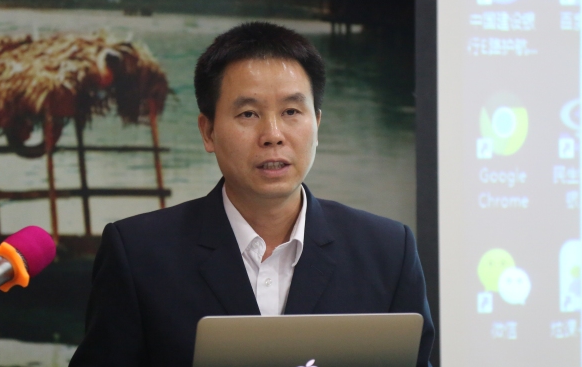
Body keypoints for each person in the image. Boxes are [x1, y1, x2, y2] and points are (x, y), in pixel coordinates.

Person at [69, 22, 434, 367]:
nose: (272, 134)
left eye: (291, 111)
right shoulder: (139, 253)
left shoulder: (387, 251)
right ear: (208, 132)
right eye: (248, 114)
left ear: (317, 124)